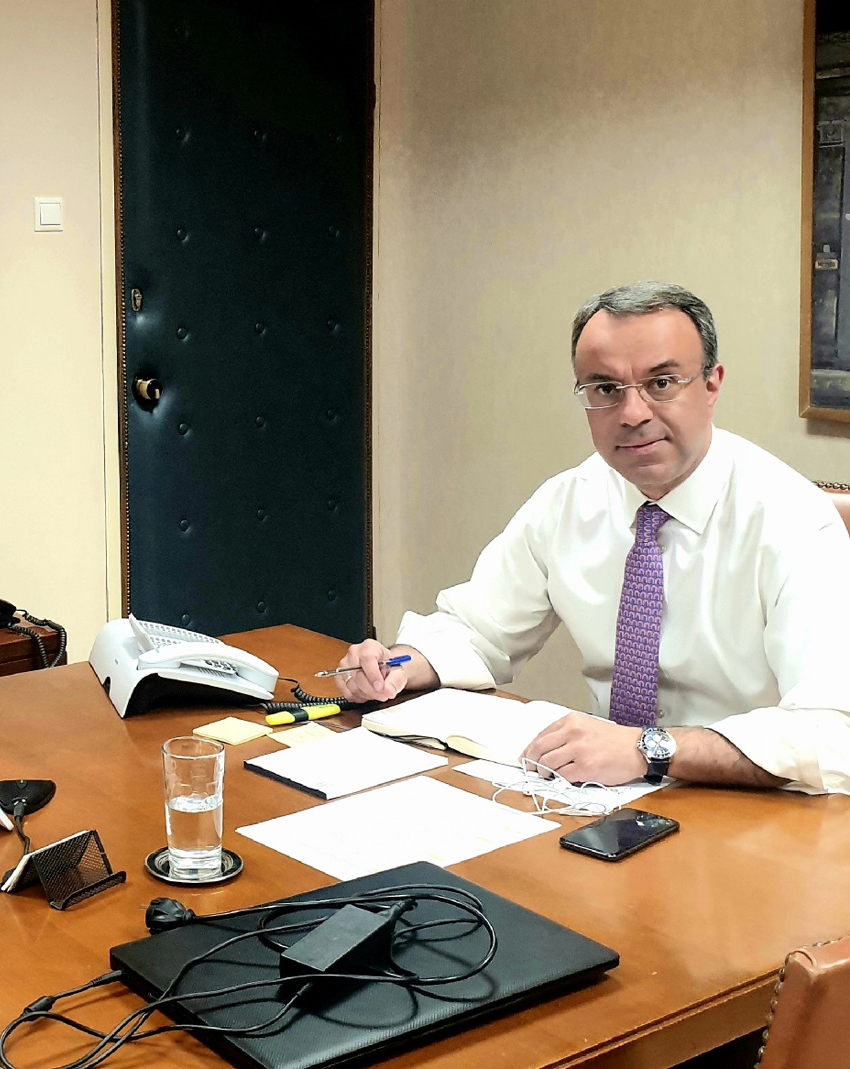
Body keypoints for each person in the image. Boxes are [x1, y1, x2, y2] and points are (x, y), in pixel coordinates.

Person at [336, 281, 850, 795]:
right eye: (605, 389)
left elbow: (832, 731)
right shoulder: (570, 500)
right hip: (605, 797)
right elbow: (479, 630)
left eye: (662, 383)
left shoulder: (794, 522)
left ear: (712, 386)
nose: (633, 414)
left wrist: (648, 749)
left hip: (757, 808)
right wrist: (398, 665)